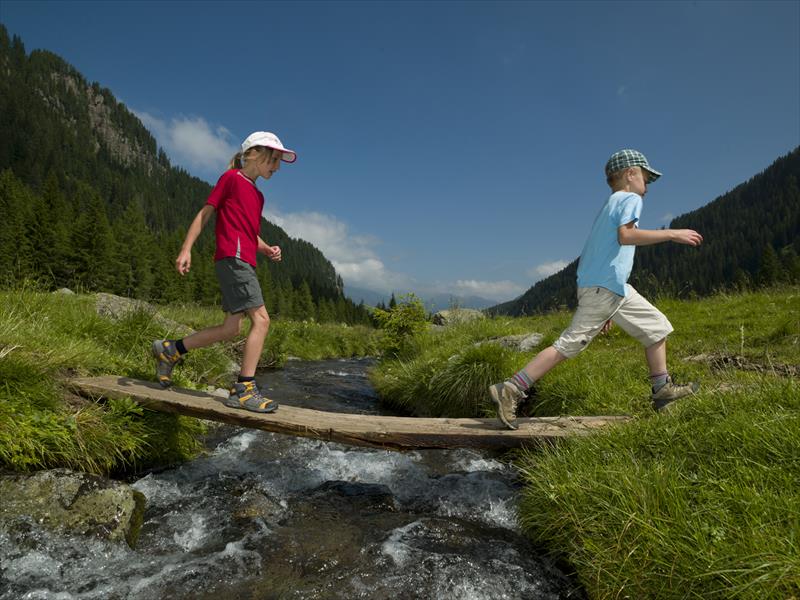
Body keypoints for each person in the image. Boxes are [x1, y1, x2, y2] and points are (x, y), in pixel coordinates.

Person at [490, 149, 703, 430]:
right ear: (630, 174)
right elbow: (626, 236)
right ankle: (511, 388)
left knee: (656, 327)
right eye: (646, 178)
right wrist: (672, 233)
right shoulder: (629, 199)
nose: (648, 186)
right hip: (604, 288)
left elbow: (599, 250)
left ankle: (662, 390)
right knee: (568, 345)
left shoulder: (612, 203)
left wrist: (608, 309)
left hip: (614, 288)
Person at [151, 131, 296, 413]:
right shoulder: (231, 178)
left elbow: (249, 232)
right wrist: (186, 248)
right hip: (233, 258)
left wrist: (266, 249)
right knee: (262, 320)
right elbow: (205, 213)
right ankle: (244, 389)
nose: (277, 167)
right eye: (274, 159)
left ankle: (171, 350)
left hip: (244, 260)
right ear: (254, 154)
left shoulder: (258, 196)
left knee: (232, 328)